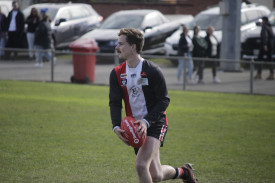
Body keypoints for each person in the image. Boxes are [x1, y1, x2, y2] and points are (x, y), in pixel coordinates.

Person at [109, 28, 197, 183]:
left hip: (155, 122)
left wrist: (146, 121)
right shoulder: (116, 73)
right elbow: (115, 102)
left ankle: (185, 172)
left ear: (133, 46)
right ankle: (184, 172)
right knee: (155, 175)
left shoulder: (152, 70)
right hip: (135, 127)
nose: (117, 47)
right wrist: (116, 126)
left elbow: (164, 100)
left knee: (141, 165)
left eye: (121, 44)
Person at [254, 16, 274, 80]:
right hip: (271, 46)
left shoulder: (264, 26)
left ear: (264, 20)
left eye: (262, 20)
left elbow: (265, 36)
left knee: (260, 59)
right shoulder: (270, 26)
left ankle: (259, 74)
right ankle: (272, 74)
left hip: (264, 46)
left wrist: (265, 45)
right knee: (270, 59)